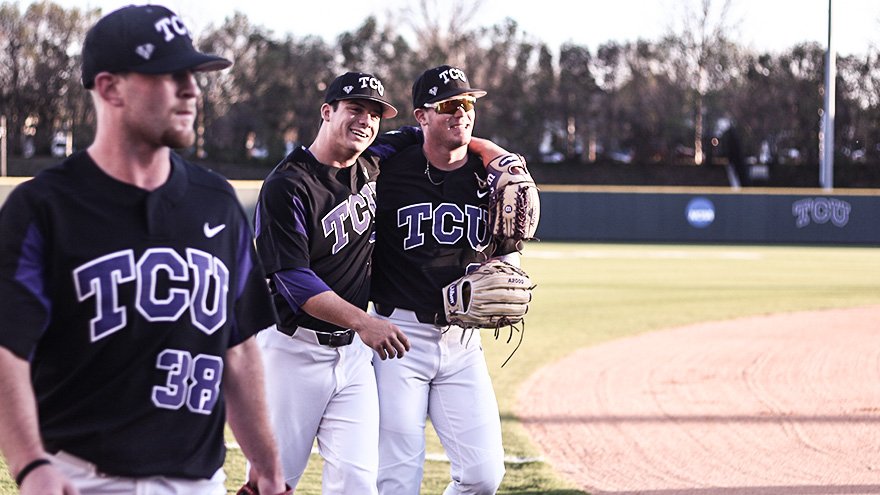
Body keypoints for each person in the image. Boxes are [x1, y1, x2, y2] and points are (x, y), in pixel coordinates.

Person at [0, 5, 287, 494]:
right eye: (170, 75)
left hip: (198, 481)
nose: (192, 90)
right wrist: (30, 465)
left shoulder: (215, 201)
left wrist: (266, 462)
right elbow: (7, 348)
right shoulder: (42, 208)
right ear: (110, 88)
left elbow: (236, 346)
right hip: (81, 478)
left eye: (193, 75)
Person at [252, 71, 412, 494]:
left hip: (354, 358)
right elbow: (294, 280)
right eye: (355, 109)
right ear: (327, 111)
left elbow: (429, 129)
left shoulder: (373, 159)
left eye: (375, 114)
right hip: (292, 353)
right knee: (274, 480)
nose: (366, 120)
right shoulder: (287, 186)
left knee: (358, 482)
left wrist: (497, 155)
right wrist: (365, 322)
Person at [369, 64, 516, 494]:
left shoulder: (490, 175)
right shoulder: (389, 171)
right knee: (397, 479)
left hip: (463, 343)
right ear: (422, 116)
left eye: (468, 104)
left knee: (483, 476)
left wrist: (512, 266)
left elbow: (509, 245)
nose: (462, 113)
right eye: (449, 105)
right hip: (400, 337)